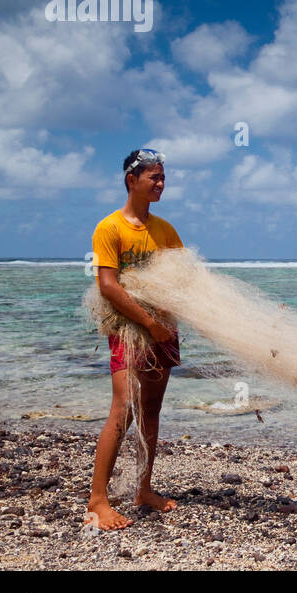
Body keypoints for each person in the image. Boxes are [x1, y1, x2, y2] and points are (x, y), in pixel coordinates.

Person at [84, 149, 183, 530]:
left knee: (152, 410)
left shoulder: (164, 229)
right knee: (124, 406)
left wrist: (168, 322)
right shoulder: (109, 228)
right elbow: (108, 286)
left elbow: (183, 275)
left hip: (164, 329)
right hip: (129, 328)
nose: (160, 183)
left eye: (163, 177)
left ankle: (142, 489)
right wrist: (149, 323)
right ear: (132, 179)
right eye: (153, 177)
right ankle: (97, 500)